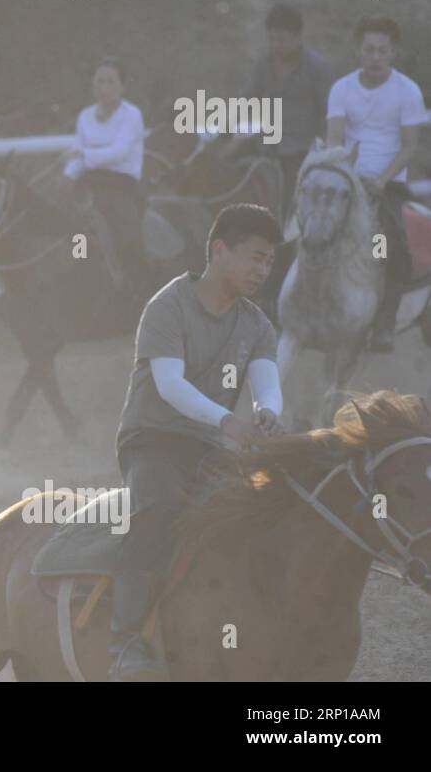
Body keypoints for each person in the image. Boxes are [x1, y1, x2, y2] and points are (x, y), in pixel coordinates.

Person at [110, 203, 284, 680]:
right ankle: (124, 642)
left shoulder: (257, 323)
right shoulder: (167, 305)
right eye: (254, 257)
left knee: (254, 517)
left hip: (210, 446)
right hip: (152, 440)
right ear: (218, 250)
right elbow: (169, 386)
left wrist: (269, 413)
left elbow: (267, 382)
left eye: (269, 261)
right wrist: (228, 420)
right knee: (160, 508)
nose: (263, 270)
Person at [325, 16, 429, 352]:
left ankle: (384, 323)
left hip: (388, 185)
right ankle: (290, 309)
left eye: (382, 50)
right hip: (346, 180)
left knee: (391, 246)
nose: (375, 57)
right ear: (358, 51)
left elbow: (409, 146)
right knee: (307, 231)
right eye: (369, 49)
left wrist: (382, 180)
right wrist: (346, 176)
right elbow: (334, 139)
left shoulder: (407, 91)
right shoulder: (341, 89)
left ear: (393, 53)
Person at [62, 58, 148, 295]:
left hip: (122, 184)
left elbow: (118, 152)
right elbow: (77, 152)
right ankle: (80, 267)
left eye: (110, 82)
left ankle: (126, 279)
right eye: (99, 81)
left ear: (122, 86)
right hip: (91, 180)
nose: (104, 88)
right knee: (71, 218)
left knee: (115, 223)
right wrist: (67, 176)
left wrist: (83, 154)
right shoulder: (85, 116)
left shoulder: (131, 115)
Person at [242, 4, 335, 211]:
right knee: (226, 167)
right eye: (272, 39)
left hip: (301, 149)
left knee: (288, 198)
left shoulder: (317, 68)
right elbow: (248, 99)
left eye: (282, 40)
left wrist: (318, 147)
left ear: (298, 37)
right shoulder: (263, 64)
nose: (276, 45)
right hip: (265, 144)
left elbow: (329, 112)